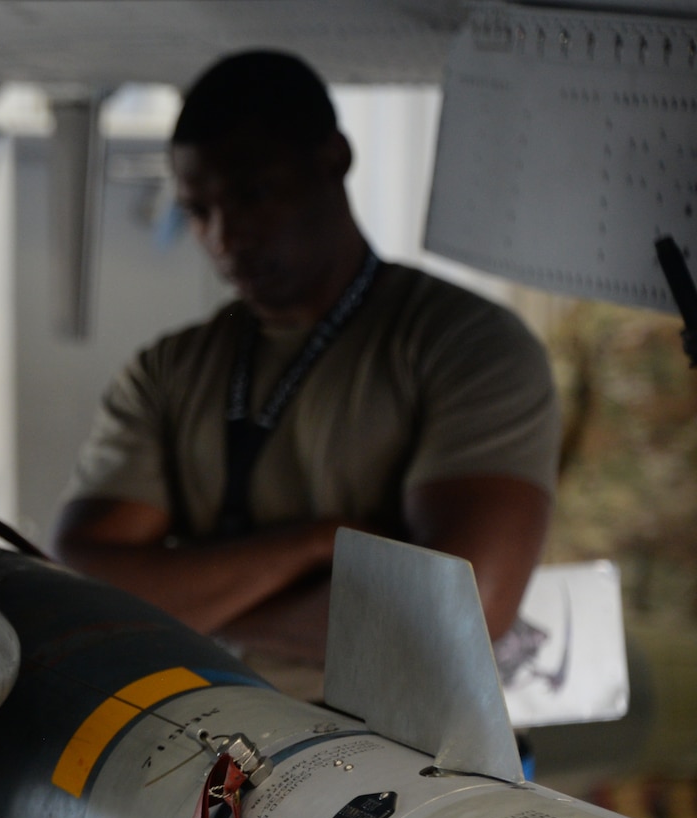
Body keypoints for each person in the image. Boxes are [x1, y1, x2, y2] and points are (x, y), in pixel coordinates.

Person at [53, 50, 559, 699]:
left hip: (386, 759)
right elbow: (81, 582)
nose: (225, 235)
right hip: (192, 738)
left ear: (332, 159)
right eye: (198, 210)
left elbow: (455, 617)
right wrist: (315, 542)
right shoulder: (169, 369)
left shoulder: (464, 346)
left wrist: (176, 608)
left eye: (252, 194)